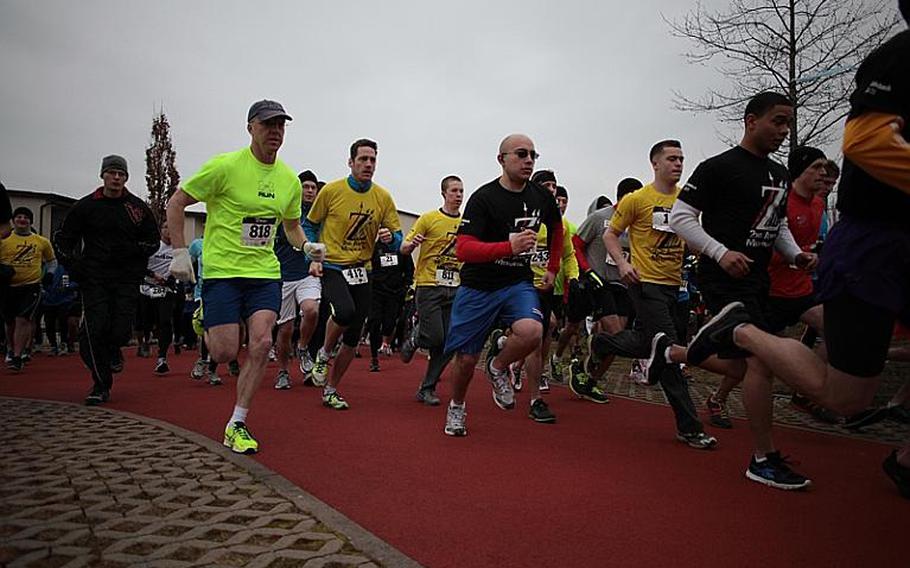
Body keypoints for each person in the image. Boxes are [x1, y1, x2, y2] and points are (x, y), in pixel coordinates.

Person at [677, 4, 910, 497]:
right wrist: (720, 254)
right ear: (751, 119)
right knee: (748, 363)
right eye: (778, 122)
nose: (785, 132)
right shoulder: (719, 166)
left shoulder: (779, 174)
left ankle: (765, 444)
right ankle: (688, 359)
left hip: (766, 278)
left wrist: (795, 252)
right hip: (726, 278)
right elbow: (680, 218)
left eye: (789, 124)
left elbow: (775, 223)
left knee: (762, 361)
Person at [167, 100, 322, 454]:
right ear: (250, 128)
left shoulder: (287, 180)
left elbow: (292, 226)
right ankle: (204, 315)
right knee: (222, 353)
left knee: (263, 342)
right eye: (268, 125)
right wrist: (179, 252)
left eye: (281, 126)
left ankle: (237, 422)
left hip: (264, 272)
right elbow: (177, 202)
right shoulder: (225, 167)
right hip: (223, 271)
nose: (275, 132)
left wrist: (306, 247)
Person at [580, 141, 717, 449]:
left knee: (647, 344)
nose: (678, 163)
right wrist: (625, 262)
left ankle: (601, 342)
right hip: (645, 283)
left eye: (681, 158)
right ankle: (689, 426)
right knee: (668, 350)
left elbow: (693, 239)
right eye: (672, 158)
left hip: (674, 285)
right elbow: (609, 233)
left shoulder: (687, 200)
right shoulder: (638, 199)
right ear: (655, 164)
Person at [442, 134, 563, 436]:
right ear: (502, 159)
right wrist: (507, 247)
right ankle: (457, 406)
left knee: (535, 330)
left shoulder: (541, 195)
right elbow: (463, 249)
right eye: (521, 154)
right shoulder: (484, 198)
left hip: (516, 283)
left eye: (534, 155)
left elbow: (557, 227)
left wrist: (553, 267)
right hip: (479, 286)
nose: (529, 160)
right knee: (467, 359)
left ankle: (497, 367)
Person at [304, 139, 402, 410]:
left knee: (353, 335)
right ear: (351, 162)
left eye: (372, 160)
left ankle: (331, 390)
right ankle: (323, 354)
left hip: (363, 269)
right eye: (363, 159)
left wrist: (389, 236)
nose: (368, 164)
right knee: (344, 312)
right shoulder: (332, 191)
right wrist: (313, 256)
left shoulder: (382, 197)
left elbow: (397, 237)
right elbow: (309, 226)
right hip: (334, 266)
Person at [55, 155, 160, 403]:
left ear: (126, 178)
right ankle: (100, 384)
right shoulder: (85, 207)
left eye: (120, 174)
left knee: (121, 331)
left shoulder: (136, 208)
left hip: (125, 278)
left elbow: (152, 241)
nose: (116, 178)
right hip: (95, 278)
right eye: (111, 173)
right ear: (103, 175)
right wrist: (73, 264)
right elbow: (63, 239)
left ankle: (114, 349)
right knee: (93, 330)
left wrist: (134, 251)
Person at [400, 175, 464, 405]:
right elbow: (404, 248)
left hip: (454, 286)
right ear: (444, 193)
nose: (458, 195)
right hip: (428, 284)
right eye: (454, 191)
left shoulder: (466, 224)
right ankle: (416, 337)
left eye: (461, 191)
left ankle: (427, 388)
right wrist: (412, 243)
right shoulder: (429, 218)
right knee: (435, 335)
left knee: (449, 343)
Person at [273, 170, 322, 390]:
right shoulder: (283, 212)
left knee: (311, 310)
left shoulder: (318, 215)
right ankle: (283, 371)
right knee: (284, 329)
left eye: (313, 187)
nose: (310, 191)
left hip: (307, 274)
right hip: (282, 276)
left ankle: (302, 348)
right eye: (306, 187)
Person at [1, 207, 56, 371]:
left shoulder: (41, 241)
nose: (22, 220)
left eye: (26, 217)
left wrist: (49, 275)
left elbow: (52, 261)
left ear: (30, 221)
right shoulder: (4, 240)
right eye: (19, 217)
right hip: (7, 287)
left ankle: (18, 356)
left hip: (31, 285)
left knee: (23, 319)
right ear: (13, 220)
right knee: (10, 322)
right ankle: (10, 349)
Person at [137, 220, 178, 374]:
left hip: (165, 290)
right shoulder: (152, 247)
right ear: (161, 230)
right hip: (147, 288)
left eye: (171, 227)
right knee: (145, 321)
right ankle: (145, 340)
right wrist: (153, 275)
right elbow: (139, 266)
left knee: (165, 321)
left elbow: (184, 268)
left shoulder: (177, 249)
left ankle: (162, 357)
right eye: (166, 227)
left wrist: (171, 279)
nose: (169, 231)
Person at [366, 244, 413, 372]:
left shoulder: (400, 249)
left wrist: (406, 285)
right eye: (382, 232)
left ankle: (386, 340)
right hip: (376, 291)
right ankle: (374, 358)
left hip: (394, 293)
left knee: (389, 323)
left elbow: (409, 269)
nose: (385, 235)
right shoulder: (374, 248)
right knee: (374, 322)